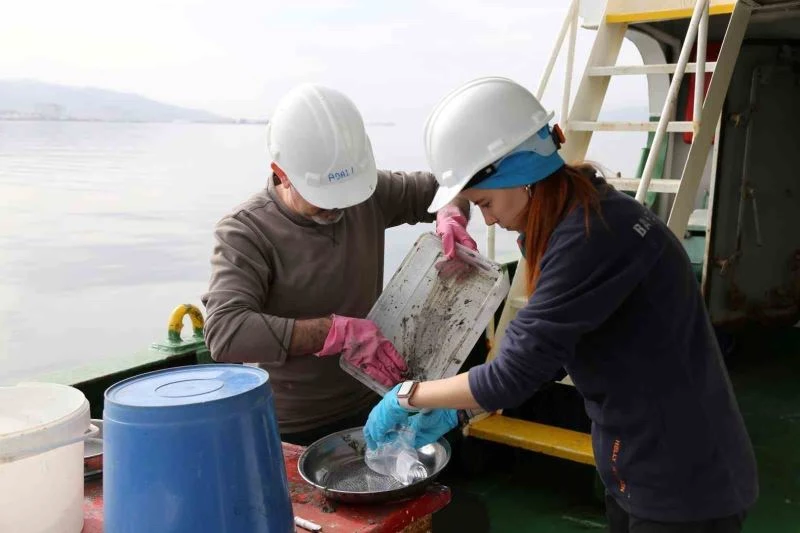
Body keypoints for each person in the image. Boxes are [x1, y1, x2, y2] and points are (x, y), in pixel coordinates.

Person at [363, 77, 758, 532]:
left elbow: (511, 376)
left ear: (519, 174)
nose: (487, 217)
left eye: (485, 202)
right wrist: (459, 409)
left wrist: (408, 395)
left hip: (682, 477)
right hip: (639, 457)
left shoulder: (591, 236)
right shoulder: (575, 217)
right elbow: (546, 355)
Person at [201, 83, 475, 446]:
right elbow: (225, 332)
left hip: (378, 400)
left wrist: (451, 217)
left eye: (347, 197)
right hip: (292, 426)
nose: (339, 208)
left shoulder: (365, 193)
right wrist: (335, 333)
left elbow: (449, 188)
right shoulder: (244, 231)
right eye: (323, 199)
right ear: (281, 173)